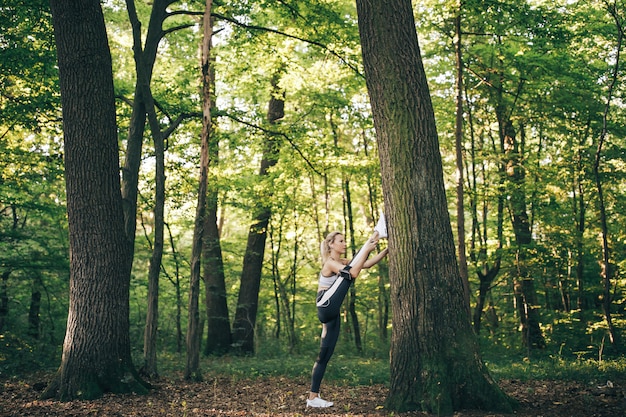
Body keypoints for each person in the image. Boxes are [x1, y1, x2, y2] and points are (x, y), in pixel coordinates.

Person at [307, 230, 389, 408]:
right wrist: (366, 247)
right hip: (325, 304)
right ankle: (378, 232)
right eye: (341, 241)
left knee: (324, 356)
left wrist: (387, 250)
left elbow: (365, 264)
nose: (344, 244)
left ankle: (313, 397)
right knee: (350, 275)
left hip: (332, 313)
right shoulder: (330, 263)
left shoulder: (341, 261)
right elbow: (353, 273)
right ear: (331, 244)